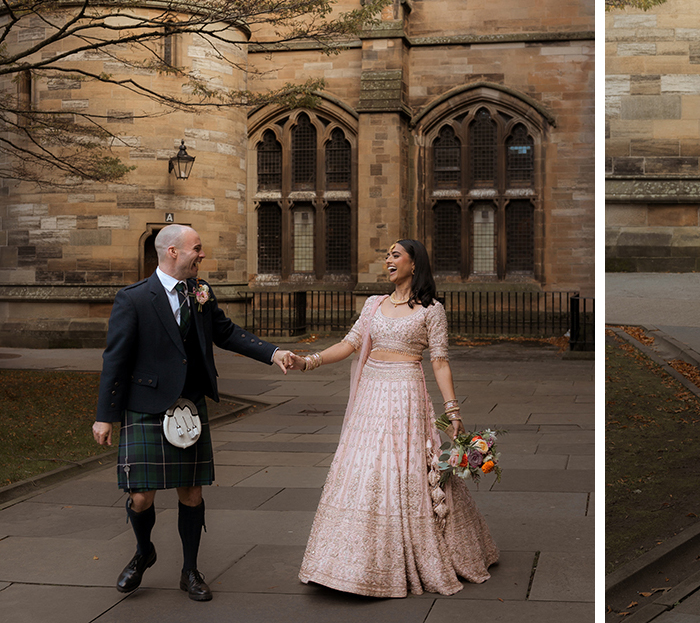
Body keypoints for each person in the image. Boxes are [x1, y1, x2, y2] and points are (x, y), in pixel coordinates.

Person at [92, 224, 296, 601]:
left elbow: (227, 332)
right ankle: (143, 552)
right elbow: (115, 360)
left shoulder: (201, 293)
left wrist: (273, 352)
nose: (202, 255)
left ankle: (189, 570)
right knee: (141, 497)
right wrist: (106, 415)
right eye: (197, 249)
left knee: (191, 492)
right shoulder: (134, 299)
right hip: (146, 406)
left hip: (189, 404)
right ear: (172, 251)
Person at [297, 238, 499, 597]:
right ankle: (342, 562)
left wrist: (452, 410)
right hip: (370, 395)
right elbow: (350, 344)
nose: (388, 260)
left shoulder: (430, 310)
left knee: (402, 472)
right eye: (387, 255)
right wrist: (309, 360)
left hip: (405, 394)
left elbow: (439, 361)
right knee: (362, 469)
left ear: (413, 264)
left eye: (395, 255)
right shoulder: (373, 305)